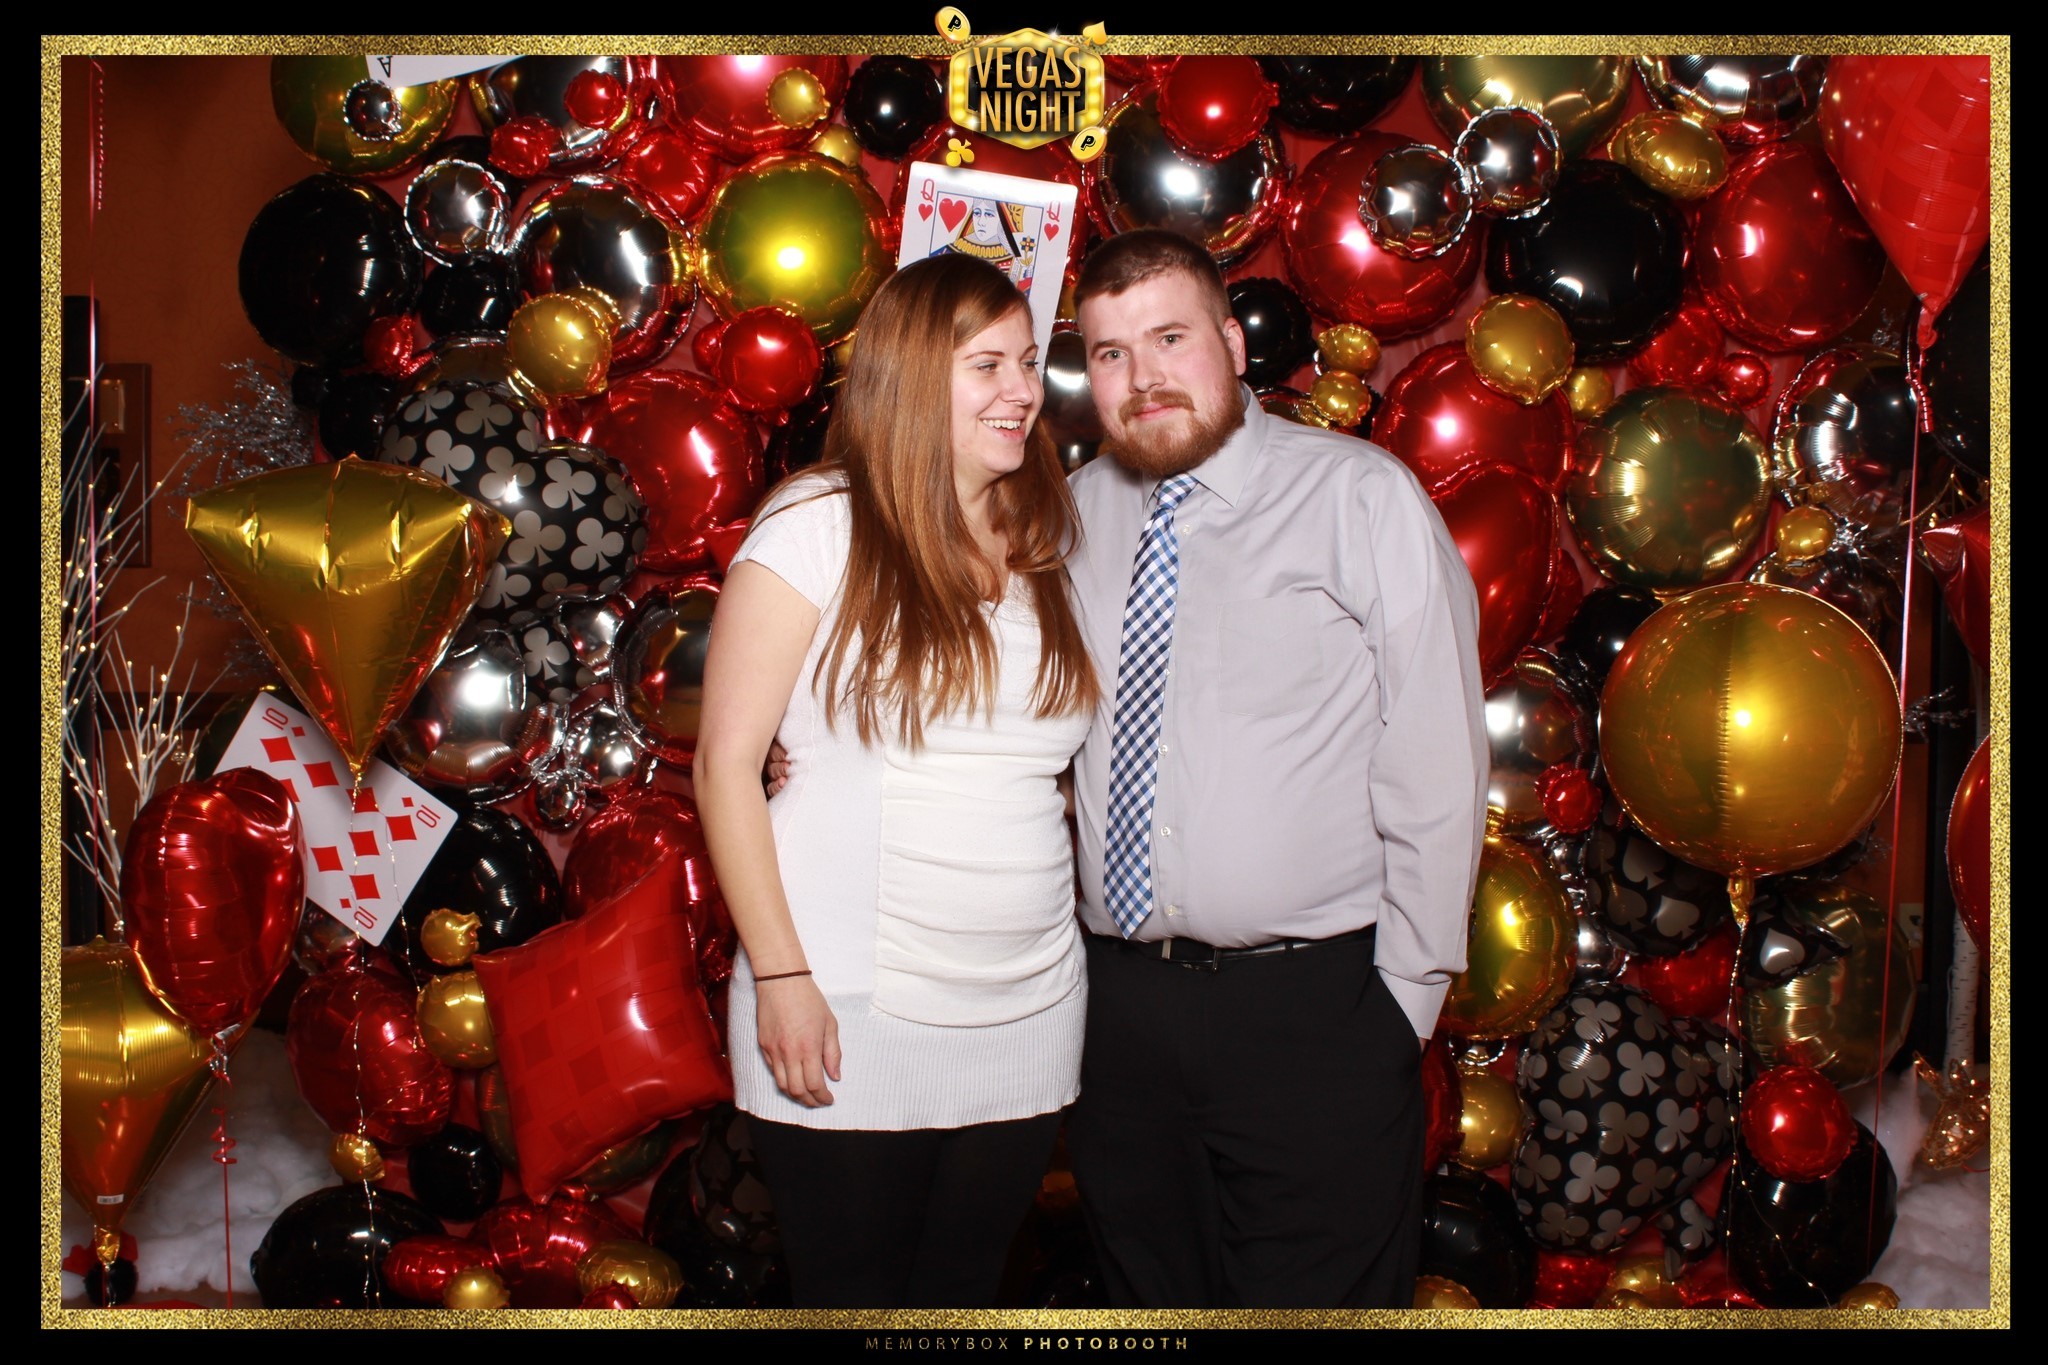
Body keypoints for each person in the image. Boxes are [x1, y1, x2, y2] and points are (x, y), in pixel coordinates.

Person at [1061, 228, 1490, 1308]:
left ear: (1234, 343)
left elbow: (1436, 756)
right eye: (1110, 353)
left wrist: (1401, 1004)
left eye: (1169, 338)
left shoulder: (1357, 497)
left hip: (1314, 1012)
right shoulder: (1068, 516)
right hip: (1118, 1016)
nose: (1143, 376)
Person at [692, 253, 1099, 1308]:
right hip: (846, 1001)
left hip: (1030, 1004)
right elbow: (726, 764)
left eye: (1027, 362)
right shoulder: (818, 524)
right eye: (987, 365)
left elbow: (1033, 769)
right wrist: (782, 975)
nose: (1022, 390)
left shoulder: (1043, 537)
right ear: (914, 375)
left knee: (966, 1293)